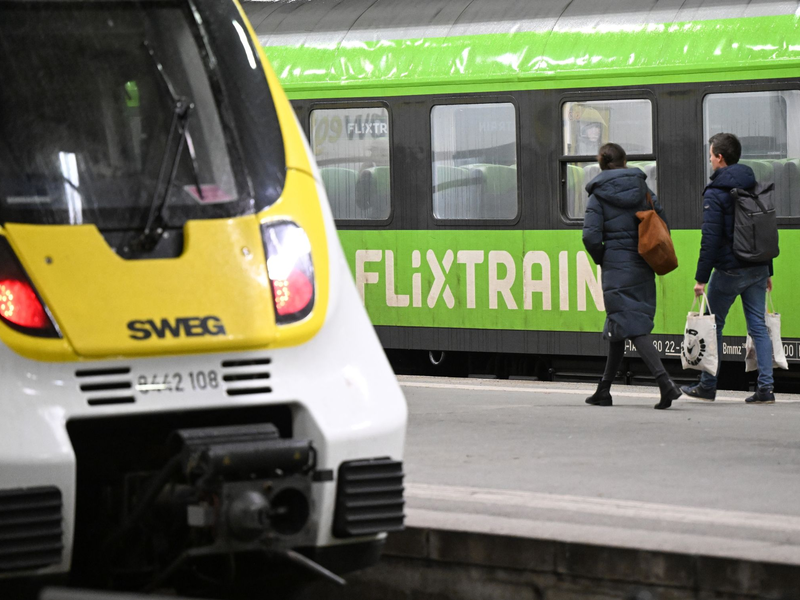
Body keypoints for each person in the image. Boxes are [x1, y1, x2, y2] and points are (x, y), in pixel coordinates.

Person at [582, 143, 682, 410]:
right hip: (642, 262)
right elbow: (661, 221)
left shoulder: (598, 195)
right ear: (625, 161)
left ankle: (665, 383)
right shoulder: (642, 188)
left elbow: (590, 236)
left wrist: (603, 257)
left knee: (632, 324)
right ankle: (603, 390)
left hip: (616, 265)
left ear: (601, 164)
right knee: (619, 323)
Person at [681, 133, 775, 404]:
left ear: (720, 157)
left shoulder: (716, 192)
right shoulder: (753, 183)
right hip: (757, 267)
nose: (709, 159)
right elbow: (763, 229)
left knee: (712, 325)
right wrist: (768, 269)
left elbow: (709, 238)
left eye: (711, 154)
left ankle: (707, 385)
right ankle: (766, 389)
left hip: (730, 270)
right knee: (758, 326)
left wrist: (701, 279)